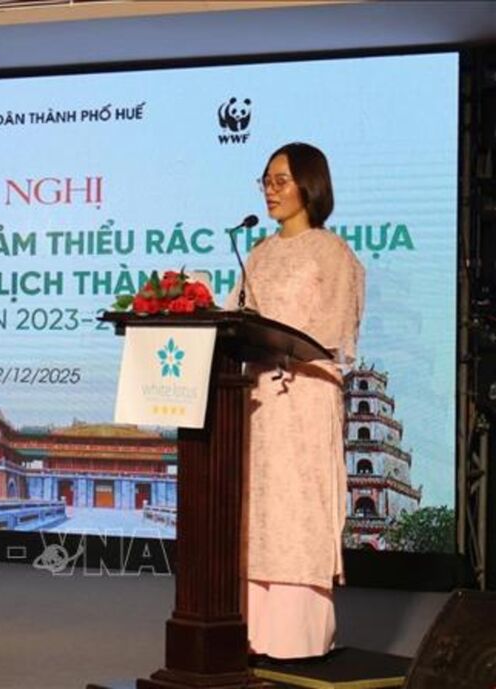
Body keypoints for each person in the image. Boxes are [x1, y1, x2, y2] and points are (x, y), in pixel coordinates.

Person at [226, 142, 365, 660]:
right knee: (258, 514)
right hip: (259, 398)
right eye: (265, 180)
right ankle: (249, 634)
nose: (270, 190)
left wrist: (284, 345)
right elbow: (235, 317)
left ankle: (295, 640)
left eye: (281, 180)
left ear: (311, 185)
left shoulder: (333, 254)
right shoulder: (259, 254)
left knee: (296, 513)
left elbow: (335, 329)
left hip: (304, 395)